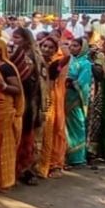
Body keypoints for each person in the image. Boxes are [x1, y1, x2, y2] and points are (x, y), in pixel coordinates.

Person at [0, 37, 24, 192]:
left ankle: (6, 181)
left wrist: (2, 85)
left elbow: (17, 90)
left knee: (5, 147)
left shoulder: (7, 68)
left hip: (4, 109)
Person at [11, 28, 46, 184]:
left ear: (25, 40)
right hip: (24, 99)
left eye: (17, 38)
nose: (13, 40)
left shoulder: (31, 58)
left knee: (26, 135)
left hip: (30, 100)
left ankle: (25, 169)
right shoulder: (19, 55)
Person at [36, 35, 69, 178]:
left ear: (55, 50)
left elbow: (67, 56)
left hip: (47, 101)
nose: (46, 49)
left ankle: (43, 166)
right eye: (44, 46)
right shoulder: (34, 61)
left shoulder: (54, 65)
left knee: (46, 132)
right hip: (34, 100)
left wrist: (60, 43)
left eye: (50, 47)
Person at [65, 38, 93, 166]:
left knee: (78, 125)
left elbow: (82, 82)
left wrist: (69, 81)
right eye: (71, 45)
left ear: (82, 48)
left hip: (76, 99)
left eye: (75, 46)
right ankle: (67, 155)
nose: (72, 48)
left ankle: (78, 158)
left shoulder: (86, 63)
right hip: (65, 97)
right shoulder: (70, 60)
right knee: (66, 127)